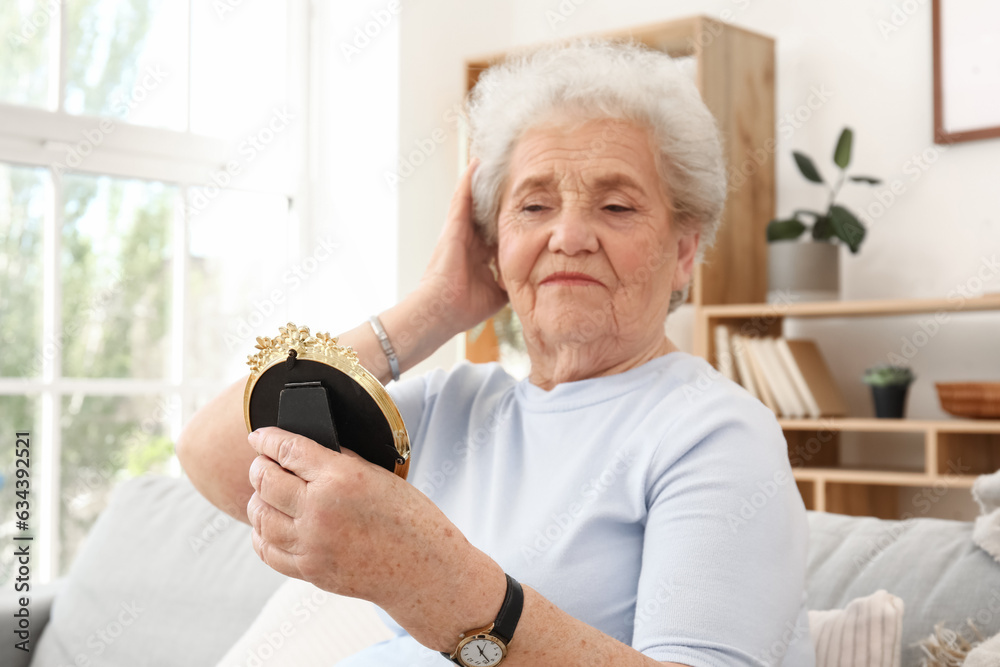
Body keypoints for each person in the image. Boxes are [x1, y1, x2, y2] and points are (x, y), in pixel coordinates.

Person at [176, 39, 814, 667]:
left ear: (681, 252)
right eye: (533, 206)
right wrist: (434, 308)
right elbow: (213, 454)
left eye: (616, 206)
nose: (567, 235)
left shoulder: (716, 432)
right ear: (494, 247)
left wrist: (438, 585)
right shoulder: (450, 405)